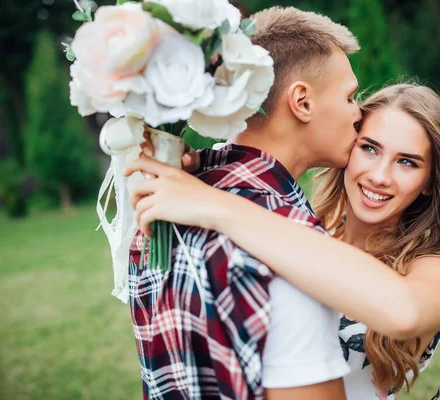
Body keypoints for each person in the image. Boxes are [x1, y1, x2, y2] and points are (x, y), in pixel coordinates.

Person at [126, 83, 440, 399]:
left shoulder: (437, 273)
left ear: (428, 183)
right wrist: (202, 170)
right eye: (370, 149)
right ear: (348, 149)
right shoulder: (297, 227)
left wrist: (218, 206)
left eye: (407, 162)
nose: (380, 176)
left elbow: (404, 311)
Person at [126, 6, 363, 400]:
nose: (359, 113)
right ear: (302, 101)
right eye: (350, 96)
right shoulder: (286, 250)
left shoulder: (167, 203)